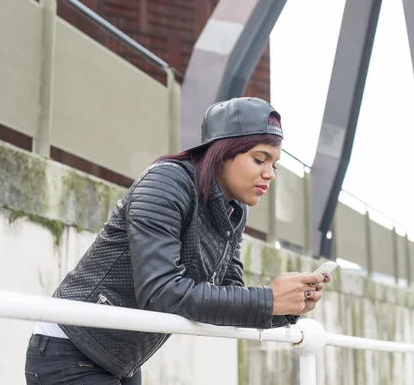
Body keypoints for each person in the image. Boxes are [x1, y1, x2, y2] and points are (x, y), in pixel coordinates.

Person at [24, 97, 331, 384]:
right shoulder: (166, 182)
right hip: (70, 349)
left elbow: (229, 297)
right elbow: (160, 291)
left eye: (273, 164)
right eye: (260, 159)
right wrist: (268, 299)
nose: (270, 174)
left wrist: (288, 306)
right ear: (223, 152)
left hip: (120, 360)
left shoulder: (234, 210)